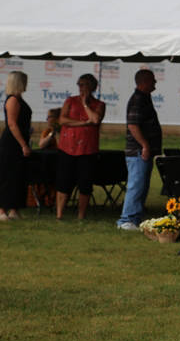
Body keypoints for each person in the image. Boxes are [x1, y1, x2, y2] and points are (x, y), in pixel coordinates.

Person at [55, 73, 106, 220]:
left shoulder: (99, 104)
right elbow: (62, 120)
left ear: (92, 87)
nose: (81, 88)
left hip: (87, 149)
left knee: (85, 183)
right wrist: (83, 123)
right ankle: (59, 214)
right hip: (67, 147)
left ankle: (81, 215)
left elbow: (95, 119)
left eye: (84, 85)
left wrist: (84, 104)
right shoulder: (70, 101)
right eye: (79, 84)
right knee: (63, 182)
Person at [116, 69, 161, 231]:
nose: (155, 83)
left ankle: (135, 218)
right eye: (153, 80)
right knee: (136, 185)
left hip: (141, 151)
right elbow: (133, 125)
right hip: (138, 151)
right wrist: (145, 145)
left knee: (141, 185)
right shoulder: (137, 100)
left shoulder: (144, 98)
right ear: (144, 82)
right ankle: (126, 220)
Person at [0, 71, 32, 221]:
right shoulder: (12, 100)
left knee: (17, 176)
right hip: (12, 144)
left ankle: (14, 208)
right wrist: (23, 145)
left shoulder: (19, 99)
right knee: (7, 176)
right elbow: (12, 124)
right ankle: (2, 210)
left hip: (19, 141)